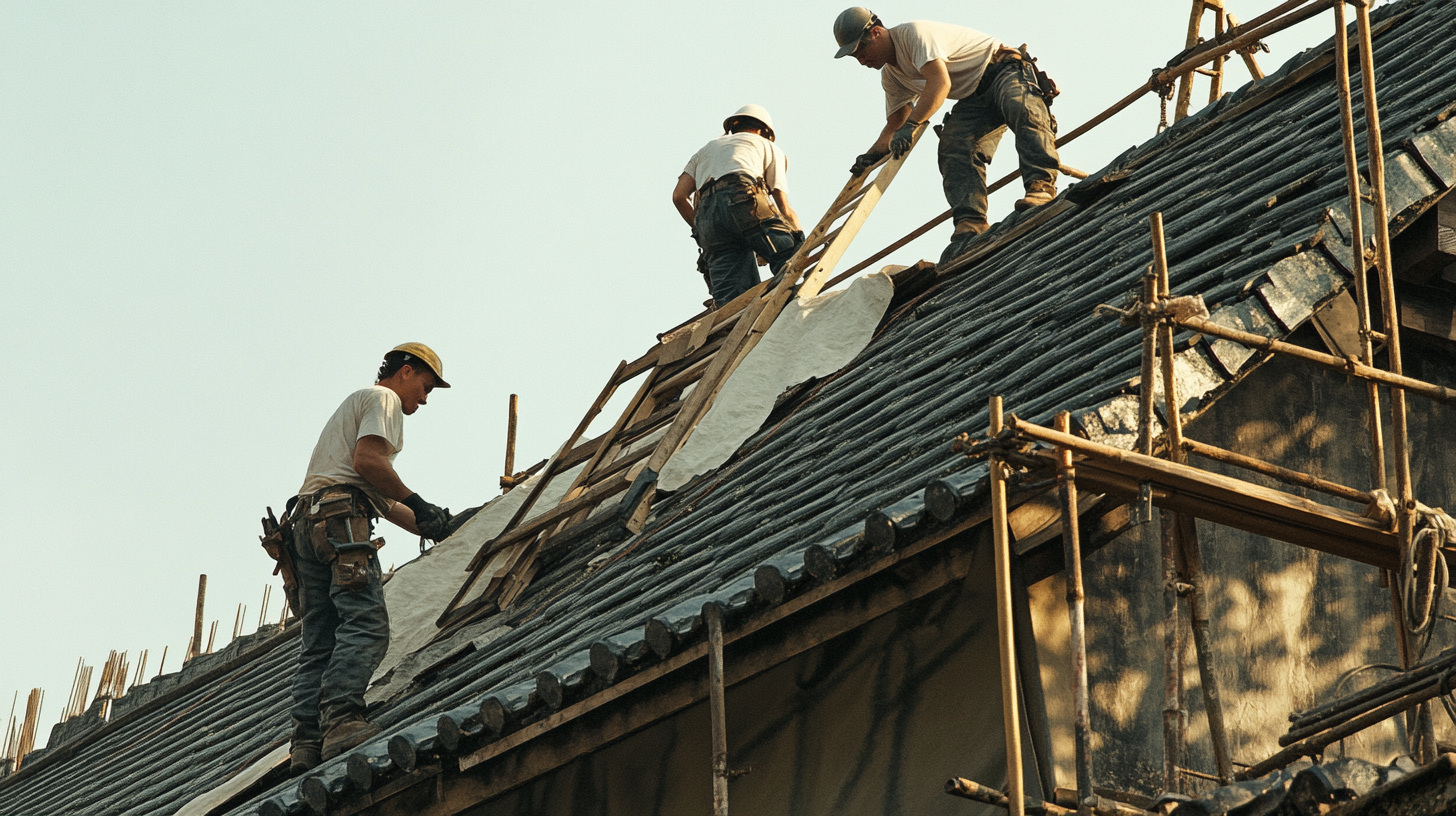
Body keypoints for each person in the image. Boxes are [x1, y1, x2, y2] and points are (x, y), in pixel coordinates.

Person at [284, 342, 453, 773]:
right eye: (426, 385)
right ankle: (341, 720)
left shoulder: (354, 407)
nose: (426, 398)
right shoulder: (384, 399)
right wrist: (419, 498)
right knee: (366, 622)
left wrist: (431, 522)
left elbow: (379, 497)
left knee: (320, 637)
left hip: (309, 525)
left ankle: (306, 742)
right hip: (340, 520)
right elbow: (369, 462)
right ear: (406, 372)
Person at [832, 7, 1061, 238]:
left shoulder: (913, 35)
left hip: (1002, 68)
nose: (861, 60)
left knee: (1020, 106)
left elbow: (940, 84)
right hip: (974, 95)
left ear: (876, 32)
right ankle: (971, 222)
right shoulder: (891, 77)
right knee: (954, 145)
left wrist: (912, 125)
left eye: (861, 50)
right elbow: (895, 126)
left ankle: (1040, 187)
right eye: (855, 57)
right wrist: (871, 157)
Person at [672, 104, 804, 308]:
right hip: (742, 196)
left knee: (733, 302)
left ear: (733, 126)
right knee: (787, 256)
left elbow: (679, 196)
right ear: (763, 131)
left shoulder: (705, 150)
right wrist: (799, 238)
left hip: (708, 220)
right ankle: (794, 308)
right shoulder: (767, 146)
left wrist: (700, 229)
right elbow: (783, 206)